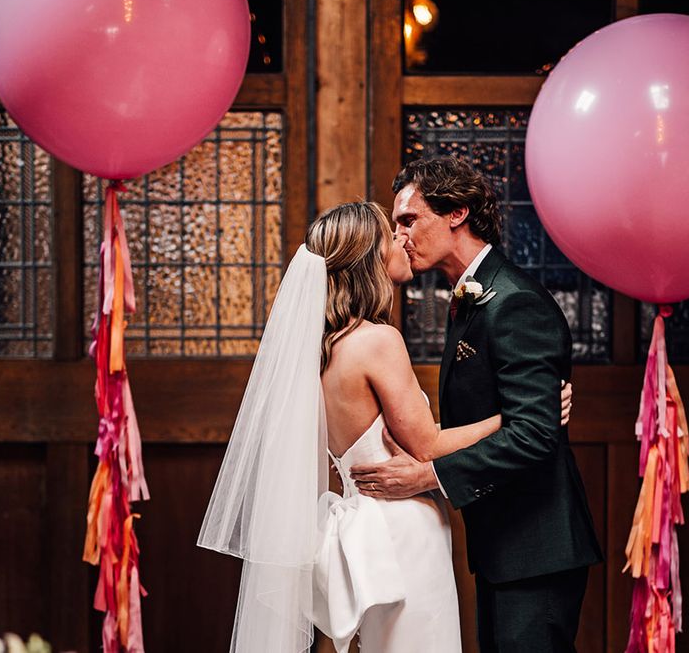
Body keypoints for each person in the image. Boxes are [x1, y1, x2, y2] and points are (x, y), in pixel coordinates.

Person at [198, 201, 572, 652]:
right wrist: (511, 417)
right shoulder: (377, 340)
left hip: (367, 526)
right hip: (401, 529)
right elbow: (428, 445)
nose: (401, 238)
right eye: (390, 234)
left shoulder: (323, 348)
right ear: (368, 258)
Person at [350, 157, 603, 652]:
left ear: (456, 213)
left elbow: (533, 434)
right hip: (503, 548)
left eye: (409, 220)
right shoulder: (471, 298)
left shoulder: (514, 302)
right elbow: (512, 417)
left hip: (538, 549)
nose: (399, 237)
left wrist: (429, 476)